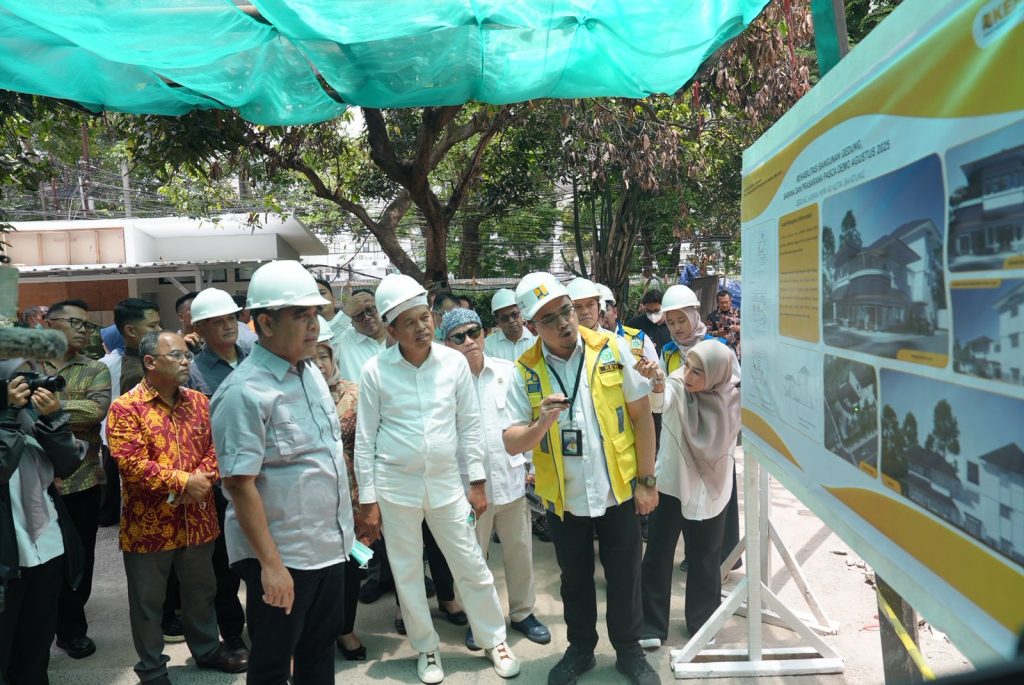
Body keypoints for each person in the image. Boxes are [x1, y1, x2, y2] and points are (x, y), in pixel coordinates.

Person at [355, 274, 519, 684]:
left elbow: (470, 426)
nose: (423, 327)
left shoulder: (452, 364)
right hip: (396, 489)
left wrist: (477, 482)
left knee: (470, 562)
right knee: (407, 572)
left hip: (447, 486)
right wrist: (369, 500)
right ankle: (426, 649)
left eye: (425, 317)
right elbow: (365, 439)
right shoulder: (376, 372)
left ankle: (493, 639)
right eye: (409, 322)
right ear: (391, 329)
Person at [501, 272, 660, 685]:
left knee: (625, 574)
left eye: (566, 311)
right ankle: (581, 649)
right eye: (550, 319)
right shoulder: (525, 371)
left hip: (616, 490)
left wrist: (646, 479)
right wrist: (542, 422)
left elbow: (642, 416)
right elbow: (512, 441)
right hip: (563, 498)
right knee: (574, 579)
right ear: (533, 326)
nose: (564, 324)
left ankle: (629, 652)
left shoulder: (612, 348)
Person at [211, 260, 355, 685]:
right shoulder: (243, 392)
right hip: (284, 557)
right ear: (266, 324)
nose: (313, 326)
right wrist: (271, 567)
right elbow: (239, 485)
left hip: (329, 547)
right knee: (273, 663)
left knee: (319, 649)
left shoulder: (309, 373)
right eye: (300, 316)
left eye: (315, 315)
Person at [108, 331, 246, 683]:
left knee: (202, 592)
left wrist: (201, 479)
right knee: (148, 602)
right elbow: (131, 464)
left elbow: (219, 447)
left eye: (187, 355)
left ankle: (206, 650)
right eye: (177, 355)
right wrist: (184, 483)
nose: (187, 361)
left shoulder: (200, 402)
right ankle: (152, 668)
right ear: (151, 362)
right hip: (148, 526)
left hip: (198, 519)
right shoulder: (126, 408)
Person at [440, 308, 551, 651]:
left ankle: (522, 613)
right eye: (459, 337)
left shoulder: (508, 373)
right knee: (472, 558)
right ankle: (479, 619)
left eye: (474, 332)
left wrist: (531, 465)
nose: (469, 341)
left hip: (512, 480)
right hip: (466, 489)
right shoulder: (442, 382)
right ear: (447, 343)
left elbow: (524, 419)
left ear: (485, 333)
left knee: (519, 551)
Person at [635, 340, 741, 646]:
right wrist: (656, 381)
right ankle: (652, 626)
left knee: (706, 557)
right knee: (657, 552)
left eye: (698, 371)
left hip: (712, 488)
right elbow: (659, 401)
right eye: (688, 367)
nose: (688, 375)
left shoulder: (733, 396)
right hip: (672, 484)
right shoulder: (677, 386)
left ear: (718, 374)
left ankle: (702, 622)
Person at [0, 365, 85, 685]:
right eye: (17, 377)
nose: (27, 384)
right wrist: (7, 418)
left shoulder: (27, 416)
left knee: (36, 645)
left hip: (46, 542)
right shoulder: (12, 417)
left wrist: (54, 419)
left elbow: (68, 464)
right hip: (7, 553)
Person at [41, 300, 112, 660]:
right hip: (34, 483)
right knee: (40, 560)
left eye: (89, 326)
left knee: (80, 557)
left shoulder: (96, 369)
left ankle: (72, 629)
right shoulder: (25, 365)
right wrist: (69, 411)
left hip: (82, 479)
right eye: (76, 323)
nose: (85, 331)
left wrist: (46, 406)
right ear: (49, 324)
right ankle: (43, 626)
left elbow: (97, 412)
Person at [186, 288, 249, 660]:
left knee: (264, 561)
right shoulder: (193, 373)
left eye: (231, 319)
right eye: (217, 322)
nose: (227, 326)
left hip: (263, 476)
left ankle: (268, 628)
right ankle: (233, 634)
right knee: (225, 568)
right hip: (220, 483)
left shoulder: (257, 358)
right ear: (201, 328)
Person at [311, 317, 366, 661]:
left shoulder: (355, 394)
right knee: (308, 573)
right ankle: (308, 634)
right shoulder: (288, 394)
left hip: (351, 498)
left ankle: (345, 628)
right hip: (307, 500)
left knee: (349, 569)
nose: (318, 363)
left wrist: (367, 503)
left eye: (324, 355)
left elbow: (369, 448)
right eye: (310, 356)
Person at [333, 289, 387, 383]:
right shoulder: (342, 341)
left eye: (370, 310)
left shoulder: (399, 335)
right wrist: (345, 312)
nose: (366, 317)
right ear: (350, 321)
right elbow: (320, 343)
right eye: (358, 315)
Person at [483, 288, 536, 363]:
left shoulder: (537, 341)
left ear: (521, 313)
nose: (511, 320)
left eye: (514, 315)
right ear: (497, 321)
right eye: (505, 318)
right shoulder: (488, 345)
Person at [626, 290, 672, 355]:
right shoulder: (635, 324)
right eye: (649, 311)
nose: (652, 315)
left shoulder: (672, 324)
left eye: (656, 310)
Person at [315, 276, 352, 347]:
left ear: (334, 299)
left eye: (322, 293)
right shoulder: (308, 334)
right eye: (314, 296)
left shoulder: (354, 327)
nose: (319, 299)